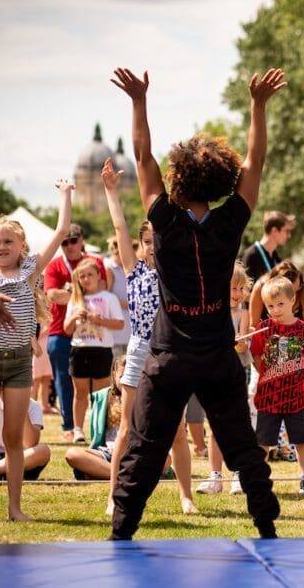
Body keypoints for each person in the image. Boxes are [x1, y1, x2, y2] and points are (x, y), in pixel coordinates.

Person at [109, 66, 286, 541]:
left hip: (168, 359)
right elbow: (255, 158)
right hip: (216, 359)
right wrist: (258, 104)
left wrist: (139, 100)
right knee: (242, 447)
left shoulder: (163, 221)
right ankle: (267, 527)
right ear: (219, 181)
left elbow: (142, 154)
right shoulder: (230, 223)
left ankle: (121, 532)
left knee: (144, 449)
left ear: (177, 181)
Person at [0, 176, 72, 523]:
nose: (2, 247)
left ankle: (15, 507)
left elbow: (62, 229)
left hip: (20, 363)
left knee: (13, 438)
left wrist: (65, 194)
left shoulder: (31, 270)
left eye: (9, 241)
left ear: (22, 246)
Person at [101, 158, 198, 515]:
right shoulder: (135, 270)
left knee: (176, 429)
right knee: (127, 426)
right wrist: (111, 191)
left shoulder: (179, 272)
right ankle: (114, 495)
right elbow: (118, 225)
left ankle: (186, 495)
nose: (152, 246)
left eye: (157, 239)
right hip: (141, 347)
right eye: (147, 241)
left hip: (171, 350)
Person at [250, 277, 304, 493]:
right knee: (263, 441)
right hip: (268, 398)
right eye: (270, 306)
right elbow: (257, 357)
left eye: (280, 304)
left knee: (302, 440)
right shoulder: (263, 329)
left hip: (296, 398)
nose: (276, 309)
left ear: (293, 301)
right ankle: (259, 480)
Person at [44, 222, 109, 441]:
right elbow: (52, 296)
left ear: (81, 241)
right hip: (60, 332)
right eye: (64, 242)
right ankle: (69, 426)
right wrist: (82, 293)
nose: (69, 246)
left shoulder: (97, 261)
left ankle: (97, 427)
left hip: (93, 333)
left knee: (98, 385)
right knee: (63, 381)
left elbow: (102, 290)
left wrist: (69, 292)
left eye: (73, 241)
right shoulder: (54, 265)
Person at [198, 262, 255, 495]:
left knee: (237, 424)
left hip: (238, 370)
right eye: (233, 288)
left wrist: (241, 343)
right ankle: (215, 475)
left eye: (241, 289)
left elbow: (242, 348)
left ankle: (239, 475)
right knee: (213, 425)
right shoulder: (210, 312)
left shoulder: (243, 313)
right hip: (213, 370)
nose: (238, 294)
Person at [64, 258, 124, 443]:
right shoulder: (75, 300)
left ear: (99, 275)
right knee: (80, 392)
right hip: (79, 349)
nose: (86, 279)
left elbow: (120, 324)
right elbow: (66, 329)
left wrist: (101, 321)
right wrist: (74, 317)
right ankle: (78, 429)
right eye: (82, 276)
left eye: (90, 274)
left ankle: (99, 431)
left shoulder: (109, 298)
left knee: (101, 394)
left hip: (101, 349)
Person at [241, 211, 295, 283]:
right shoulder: (250, 255)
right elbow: (243, 290)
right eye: (286, 231)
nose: (289, 236)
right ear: (274, 230)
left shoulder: (276, 258)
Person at [104, 236, 132, 357]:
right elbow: (105, 298)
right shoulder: (110, 269)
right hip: (116, 335)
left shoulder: (126, 268)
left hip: (129, 331)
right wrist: (129, 305)